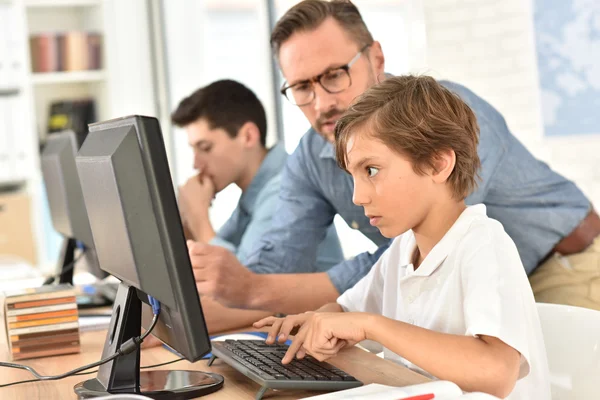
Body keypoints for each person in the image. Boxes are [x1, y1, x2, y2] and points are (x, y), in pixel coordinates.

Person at [189, 0, 599, 314]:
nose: (322, 103)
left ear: (376, 59)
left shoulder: (445, 114)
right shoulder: (312, 156)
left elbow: (420, 255)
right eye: (301, 88)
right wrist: (188, 316)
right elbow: (276, 269)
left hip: (559, 269)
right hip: (473, 292)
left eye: (334, 76)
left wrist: (255, 291)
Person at [254, 75, 551, 400]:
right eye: (352, 176)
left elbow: (497, 373)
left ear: (438, 164)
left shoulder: (483, 244)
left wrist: (371, 326)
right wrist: (317, 321)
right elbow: (345, 309)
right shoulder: (403, 251)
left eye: (370, 171)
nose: (357, 197)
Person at [172, 79, 344, 332]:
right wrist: (186, 218)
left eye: (205, 148)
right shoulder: (251, 195)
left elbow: (238, 288)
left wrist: (198, 218)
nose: (196, 164)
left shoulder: (284, 188)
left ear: (248, 136)